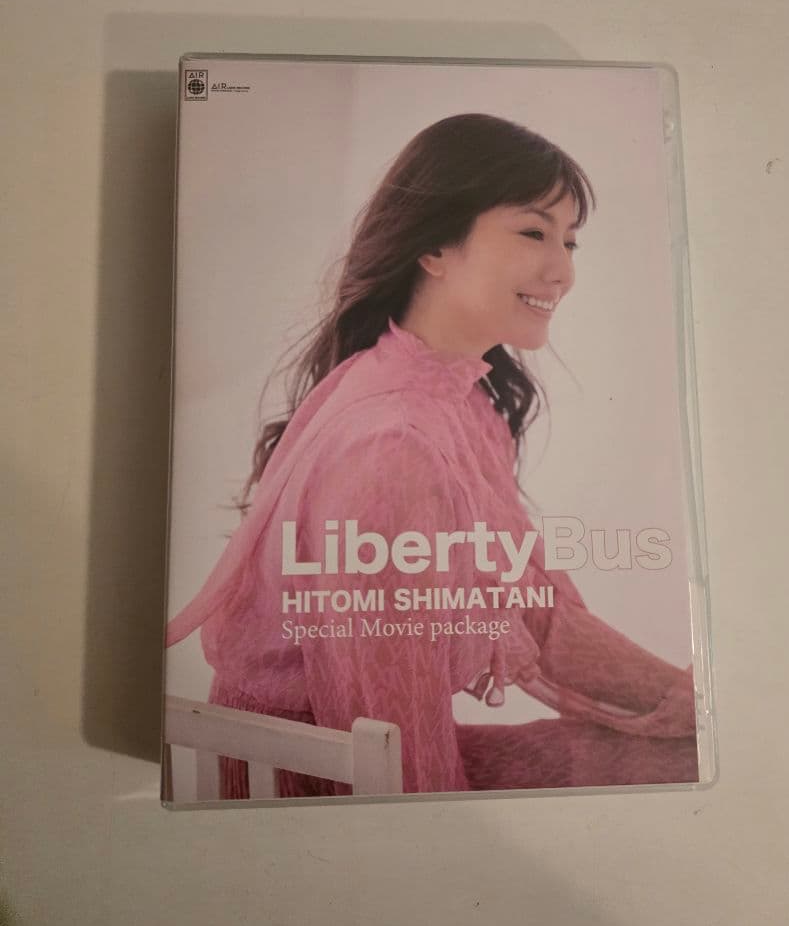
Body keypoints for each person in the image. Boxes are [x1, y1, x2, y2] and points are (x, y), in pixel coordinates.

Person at [166, 113, 699, 798]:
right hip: (312, 793)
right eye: (533, 232)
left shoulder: (459, 401)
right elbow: (386, 736)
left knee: (695, 756)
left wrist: (698, 705)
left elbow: (541, 618)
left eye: (569, 241)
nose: (563, 271)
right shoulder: (394, 447)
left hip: (381, 760)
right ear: (434, 248)